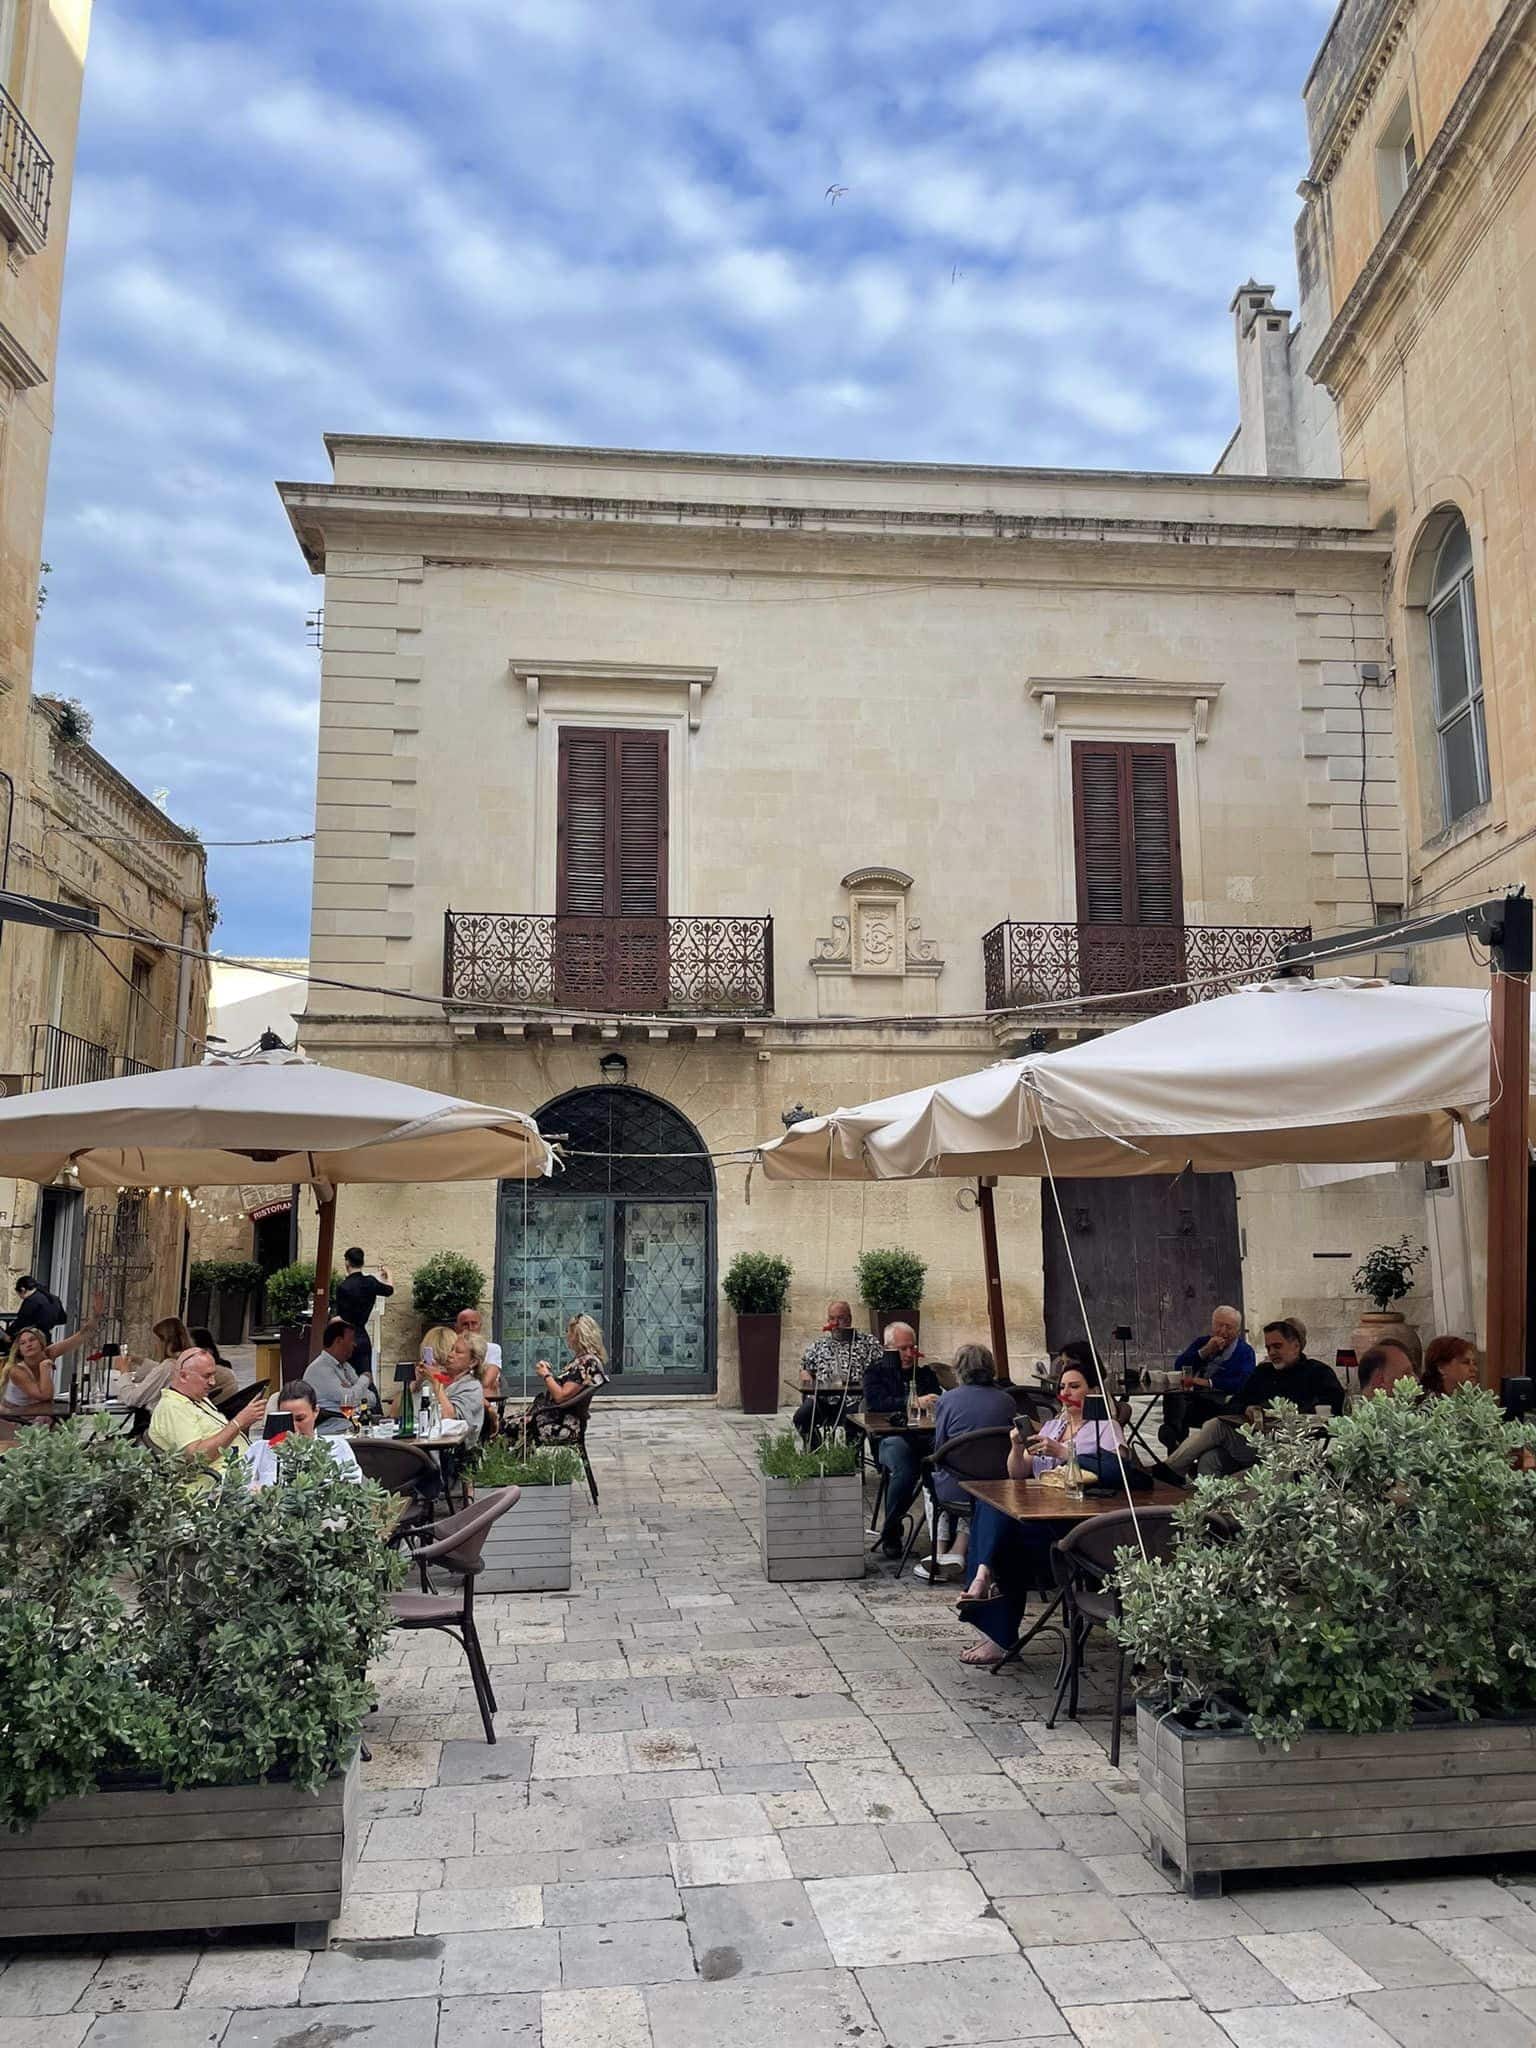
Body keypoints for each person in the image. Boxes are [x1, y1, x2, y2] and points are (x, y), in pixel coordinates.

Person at [955, 1370, 1126, 1666]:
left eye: (1075, 1386)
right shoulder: (1053, 1425)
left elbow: (1119, 1471)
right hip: (1038, 1516)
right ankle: (983, 1578)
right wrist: (1017, 1446)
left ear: (1093, 1391)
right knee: (993, 1508)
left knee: (1002, 1538)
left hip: (1075, 1526)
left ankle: (997, 1626)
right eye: (1062, 1387)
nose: (1068, 1392)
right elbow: (1017, 1474)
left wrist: (1063, 1452)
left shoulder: (1105, 1428)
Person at [1154, 1319, 1345, 1482]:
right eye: (1268, 1347)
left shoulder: (1318, 1372)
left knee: (1215, 1429)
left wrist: (1276, 1413)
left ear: (1295, 1345)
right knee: (1209, 1457)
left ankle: (1168, 1471)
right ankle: (1210, 1513)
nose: (1272, 1352)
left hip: (1291, 1448)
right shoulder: (1263, 1372)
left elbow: (1332, 1407)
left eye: (1277, 1346)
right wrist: (1247, 1408)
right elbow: (1234, 1403)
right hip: (1254, 1441)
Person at [917, 1342, 1019, 1581]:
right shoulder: (1006, 1400)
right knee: (971, 1482)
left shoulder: (948, 1400)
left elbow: (940, 1446)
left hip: (958, 1486)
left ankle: (939, 1550)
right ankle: (958, 1550)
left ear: (958, 1369)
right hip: (996, 1484)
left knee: (932, 1480)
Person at [863, 1323, 944, 1560]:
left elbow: (937, 1402)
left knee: (951, 1457)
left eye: (912, 1348)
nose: (909, 1354)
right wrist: (913, 1402)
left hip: (924, 1436)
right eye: (903, 1349)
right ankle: (892, 1532)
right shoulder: (875, 1373)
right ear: (888, 1349)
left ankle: (948, 1534)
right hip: (889, 1437)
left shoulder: (925, 1374)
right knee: (905, 1468)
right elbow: (877, 1404)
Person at [148, 1347, 266, 1487]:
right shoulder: (173, 1407)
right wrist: (238, 1422)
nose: (213, 1382)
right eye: (206, 1376)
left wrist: (245, 1422)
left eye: (213, 1375)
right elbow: (198, 1457)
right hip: (215, 1488)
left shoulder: (196, 1398)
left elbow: (222, 1435)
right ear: (183, 1376)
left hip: (242, 1474)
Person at [504, 1313, 609, 1453]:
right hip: (555, 1415)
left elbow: (561, 1395)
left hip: (559, 1421)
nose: (566, 1336)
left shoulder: (586, 1363)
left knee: (503, 1425)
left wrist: (546, 1375)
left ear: (577, 1336)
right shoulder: (584, 1361)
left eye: (568, 1332)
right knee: (509, 1420)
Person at [1159, 1305, 1256, 1448]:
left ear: (1237, 1330)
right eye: (1219, 1325)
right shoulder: (1202, 1342)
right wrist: (1205, 1351)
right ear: (1212, 1325)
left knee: (1179, 1415)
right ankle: (1174, 1436)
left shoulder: (1245, 1352)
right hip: (1193, 1400)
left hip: (1219, 1404)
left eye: (1228, 1327)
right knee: (1174, 1395)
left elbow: (1243, 1382)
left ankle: (1174, 1441)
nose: (1222, 1331)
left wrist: (1208, 1382)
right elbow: (1179, 1366)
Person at [794, 1300, 883, 1445]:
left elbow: (881, 1368)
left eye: (840, 1318)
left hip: (855, 1399)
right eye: (832, 1318)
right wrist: (810, 1391)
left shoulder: (868, 1342)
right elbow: (805, 1367)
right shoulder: (819, 1344)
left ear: (849, 1319)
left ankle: (851, 1458)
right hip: (824, 1399)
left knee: (856, 1420)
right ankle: (815, 1451)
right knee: (801, 1417)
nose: (835, 1323)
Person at [246, 1381, 364, 1486]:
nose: (293, 1427)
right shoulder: (261, 1449)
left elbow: (351, 1488)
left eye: (300, 1419)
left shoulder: (337, 1447)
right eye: (286, 1419)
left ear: (316, 1412)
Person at [118, 1316, 238, 1410]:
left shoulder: (169, 1366)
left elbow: (133, 1399)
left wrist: (124, 1372)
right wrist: (139, 1360)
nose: (155, 1345)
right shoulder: (186, 1362)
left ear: (164, 1342)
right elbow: (161, 1371)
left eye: (156, 1340)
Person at [0, 1319, 94, 1425]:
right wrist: (44, 1368)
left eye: (32, 1340)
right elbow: (46, 1396)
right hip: (12, 1417)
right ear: (20, 1350)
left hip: (35, 1414)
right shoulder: (17, 1371)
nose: (28, 1344)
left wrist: (96, 1316)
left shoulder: (48, 1353)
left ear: (41, 1343)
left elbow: (80, 1336)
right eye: (23, 1343)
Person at [331, 1247, 393, 1382]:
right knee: (366, 1379)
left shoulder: (343, 1286)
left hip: (346, 1338)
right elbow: (389, 1290)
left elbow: (341, 1316)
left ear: (347, 1263)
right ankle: (373, 1403)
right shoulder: (370, 1282)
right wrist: (388, 1274)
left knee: (347, 1380)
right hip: (362, 1336)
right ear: (362, 1262)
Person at [418, 1328, 488, 1443]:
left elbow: (450, 1416)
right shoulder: (437, 1379)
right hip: (424, 1443)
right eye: (451, 1349)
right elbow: (396, 1412)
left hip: (453, 1454)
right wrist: (416, 1382)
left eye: (458, 1352)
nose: (450, 1354)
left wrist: (436, 1382)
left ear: (472, 1362)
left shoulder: (472, 1387)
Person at [303, 1317, 363, 1435]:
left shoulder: (345, 1366)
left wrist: (352, 1392)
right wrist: (364, 1380)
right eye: (351, 1340)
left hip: (347, 1427)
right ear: (338, 1341)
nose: (354, 1345)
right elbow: (349, 1399)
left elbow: (371, 1399)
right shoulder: (320, 1369)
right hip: (330, 1431)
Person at [456, 1308, 502, 1401]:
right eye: (465, 1324)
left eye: (474, 1323)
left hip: (485, 1402)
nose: (470, 1328)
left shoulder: (493, 1348)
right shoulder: (452, 1350)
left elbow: (486, 1382)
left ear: (480, 1326)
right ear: (456, 1327)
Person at [8, 1274, 65, 1343]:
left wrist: (8, 1335)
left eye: (19, 1295)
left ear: (23, 1290)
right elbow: (62, 1319)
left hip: (33, 1338)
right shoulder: (54, 1298)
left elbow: (21, 1322)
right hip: (46, 1338)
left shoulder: (31, 1301)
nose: (21, 1297)